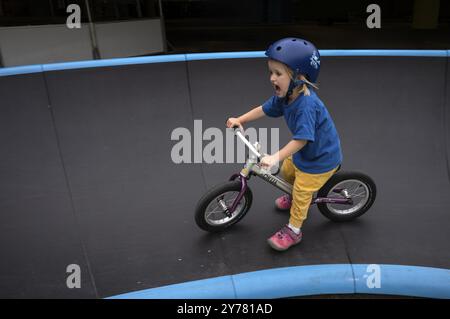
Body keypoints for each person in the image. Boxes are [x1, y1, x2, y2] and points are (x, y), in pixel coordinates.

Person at [226, 37, 343, 251]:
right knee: (288, 172)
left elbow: (302, 139)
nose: (272, 78)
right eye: (271, 72)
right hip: (305, 154)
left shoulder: (306, 105)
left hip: (320, 160)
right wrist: (241, 119)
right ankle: (293, 195)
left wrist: (274, 157)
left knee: (300, 192)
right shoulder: (286, 97)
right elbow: (264, 108)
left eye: (278, 73)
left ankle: (294, 230)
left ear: (299, 77)